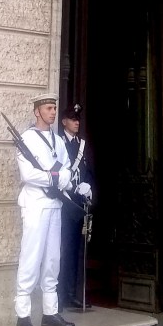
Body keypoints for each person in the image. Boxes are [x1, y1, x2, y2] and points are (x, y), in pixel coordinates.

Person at [13, 94, 77, 326]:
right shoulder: (27, 140)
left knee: (52, 260)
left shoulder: (58, 140)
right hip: (35, 204)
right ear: (37, 111)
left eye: (54, 108)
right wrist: (54, 178)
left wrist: (57, 178)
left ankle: (50, 312)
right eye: (48, 108)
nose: (53, 112)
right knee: (31, 258)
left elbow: (68, 170)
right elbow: (28, 175)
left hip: (54, 205)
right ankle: (23, 316)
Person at [58, 103, 94, 310]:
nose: (76, 122)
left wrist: (88, 186)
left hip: (78, 202)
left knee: (75, 249)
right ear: (64, 122)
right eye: (73, 119)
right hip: (64, 202)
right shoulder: (58, 141)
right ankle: (59, 293)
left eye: (78, 119)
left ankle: (72, 292)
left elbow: (87, 170)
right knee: (63, 248)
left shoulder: (82, 144)